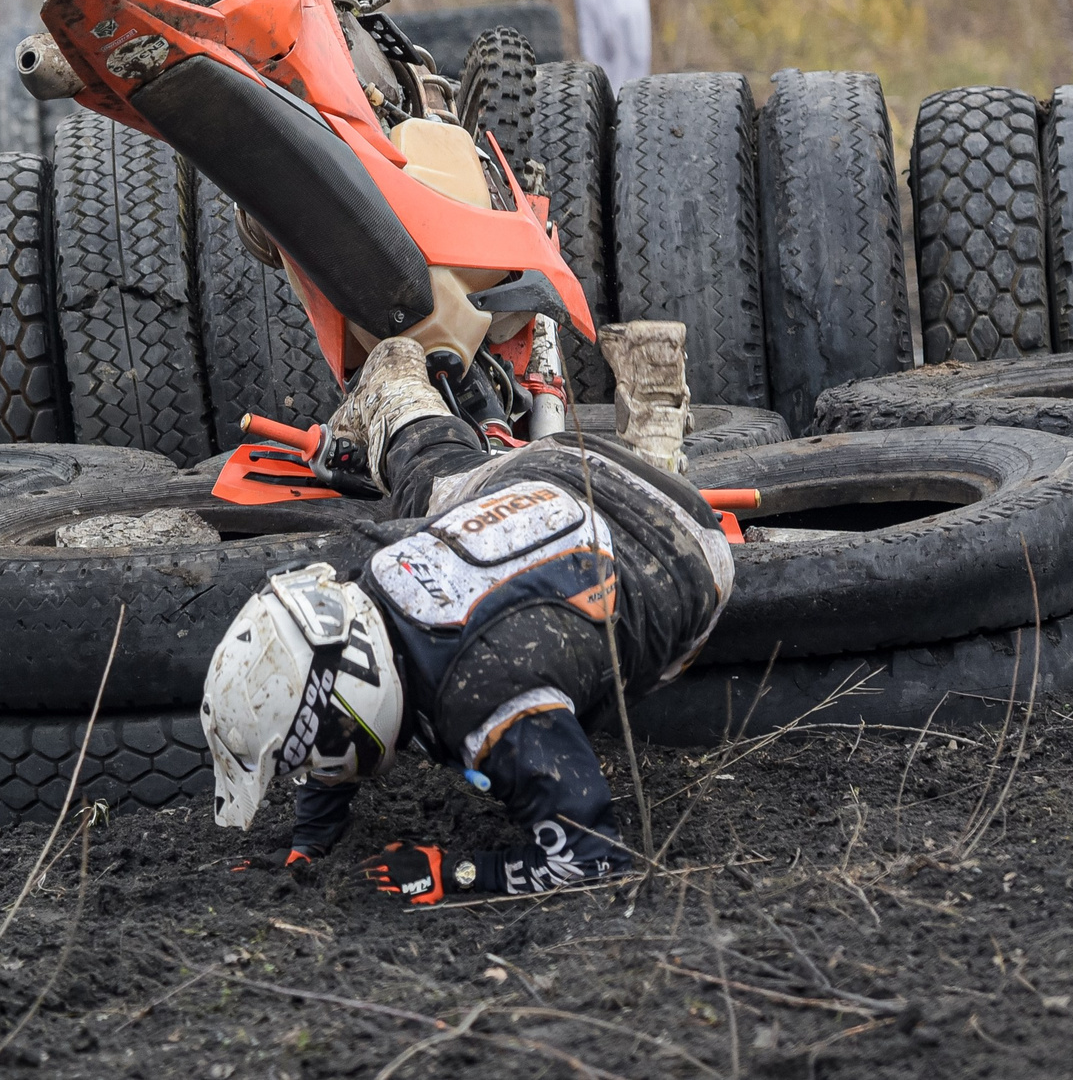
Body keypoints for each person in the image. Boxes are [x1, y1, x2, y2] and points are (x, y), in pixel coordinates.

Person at [201, 326, 733, 903]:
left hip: (684, 551)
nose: (312, 763)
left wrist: (455, 873)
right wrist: (311, 839)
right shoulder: (369, 581)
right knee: (433, 478)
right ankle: (401, 385)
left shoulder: (487, 699)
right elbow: (328, 681)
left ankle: (647, 435)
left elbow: (592, 859)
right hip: (559, 472)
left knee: (440, 496)